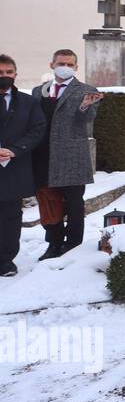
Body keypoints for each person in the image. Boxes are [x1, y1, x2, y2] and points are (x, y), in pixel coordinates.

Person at [31, 49, 103, 259]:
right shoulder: (39, 91)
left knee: (74, 203)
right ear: (52, 64)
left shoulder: (86, 90)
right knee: (48, 201)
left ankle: (72, 245)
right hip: (44, 155)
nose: (66, 67)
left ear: (76, 68)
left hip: (72, 156)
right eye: (62, 63)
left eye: (70, 64)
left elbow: (88, 119)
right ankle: (53, 243)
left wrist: (84, 106)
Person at [0, 55, 47, 278]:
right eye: (0, 73)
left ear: (15, 75)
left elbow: (38, 129)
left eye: (9, 72)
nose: (5, 76)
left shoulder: (28, 102)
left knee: (10, 217)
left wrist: (15, 150)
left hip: (14, 167)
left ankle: (6, 260)